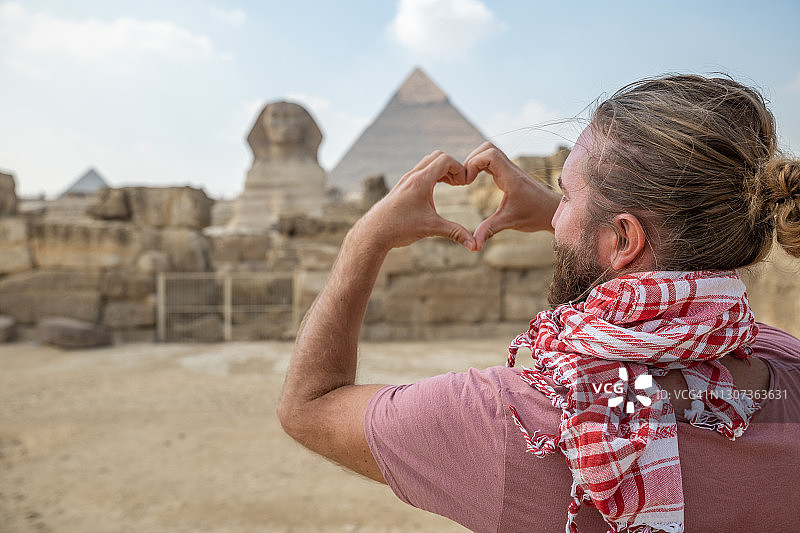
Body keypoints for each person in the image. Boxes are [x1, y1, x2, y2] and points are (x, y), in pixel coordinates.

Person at [278, 74, 800, 532]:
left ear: (622, 240)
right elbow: (660, 265)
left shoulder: (513, 425)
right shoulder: (785, 366)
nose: (554, 217)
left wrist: (366, 239)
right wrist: (579, 218)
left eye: (565, 195)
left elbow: (309, 407)